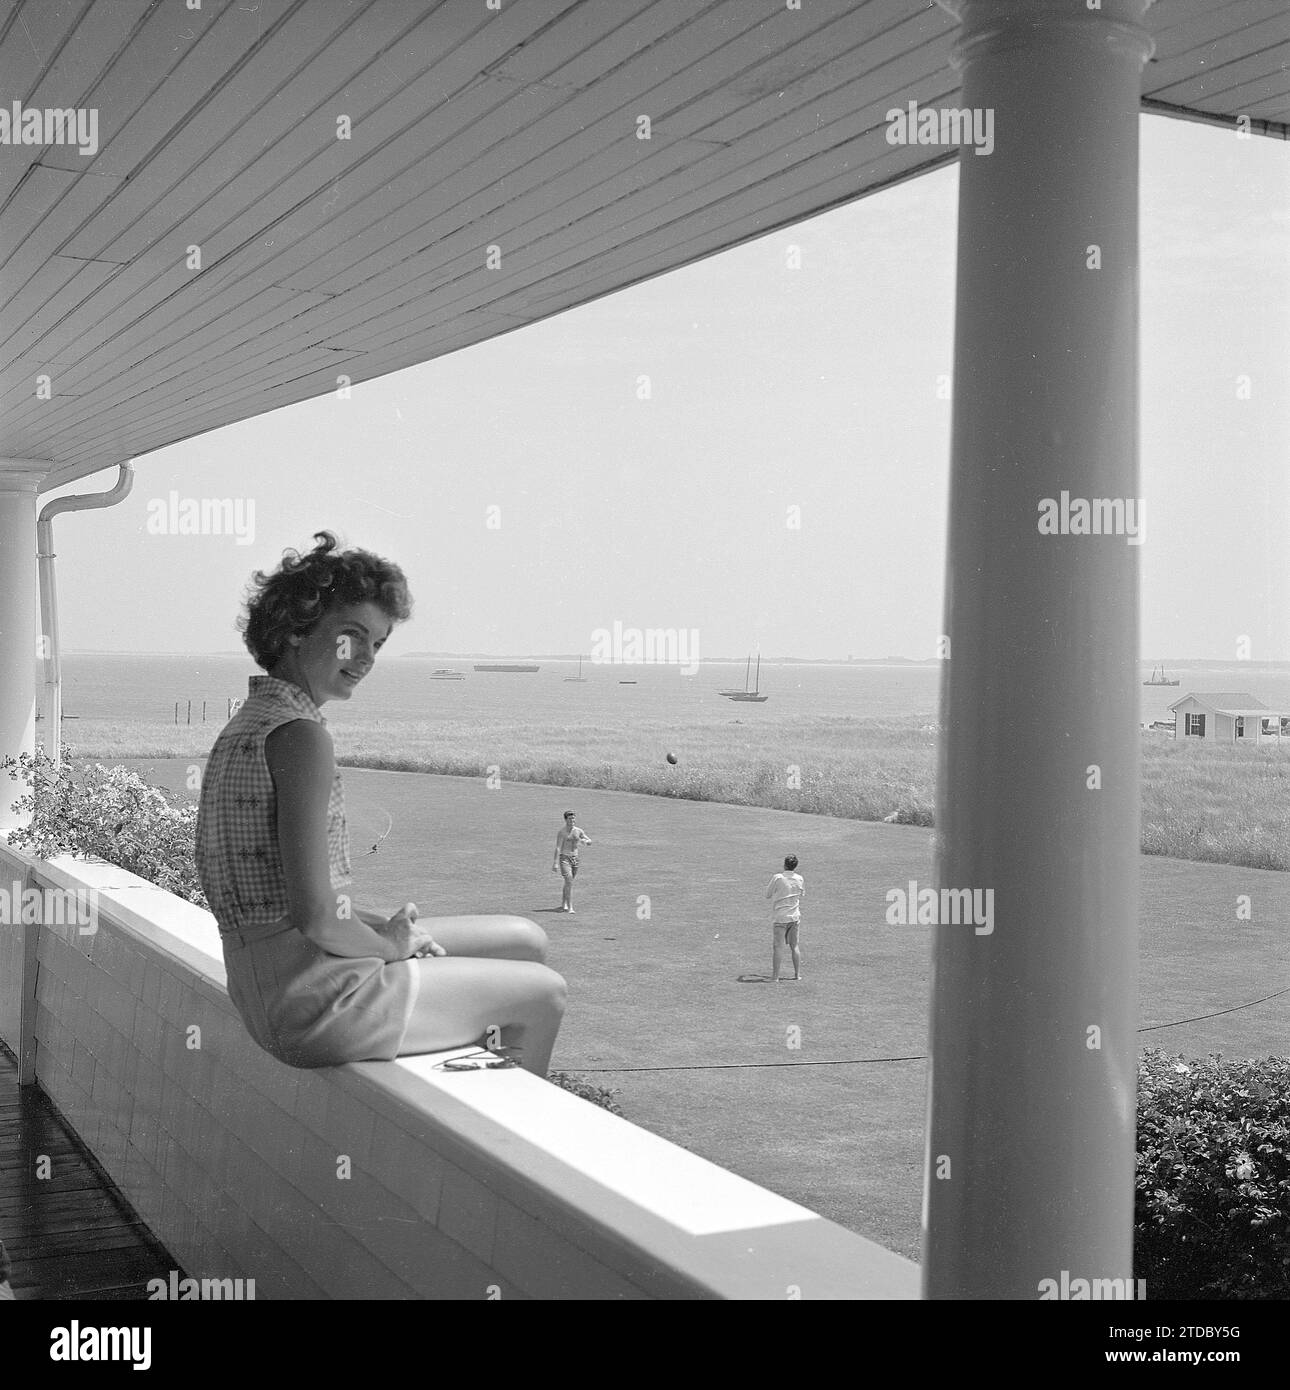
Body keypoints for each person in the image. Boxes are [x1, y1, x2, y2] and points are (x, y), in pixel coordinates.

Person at [194, 532, 566, 1074]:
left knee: (523, 939)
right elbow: (316, 919)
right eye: (352, 636)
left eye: (378, 643)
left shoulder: (249, 724)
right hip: (315, 1001)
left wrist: (383, 929)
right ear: (296, 630)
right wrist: (390, 947)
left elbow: (281, 906)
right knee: (544, 993)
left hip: (269, 987)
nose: (366, 657)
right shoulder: (301, 736)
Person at [765, 854, 805, 982]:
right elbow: (802, 893)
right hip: (794, 916)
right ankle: (797, 975)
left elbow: (767, 894)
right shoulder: (799, 878)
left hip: (781, 917)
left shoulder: (778, 877)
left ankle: (775, 977)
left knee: (778, 947)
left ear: (785, 864)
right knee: (794, 946)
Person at [552, 811, 591, 913]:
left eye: (573, 818)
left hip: (575, 859)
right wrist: (555, 863)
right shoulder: (562, 832)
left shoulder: (579, 831)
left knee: (568, 882)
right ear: (565, 820)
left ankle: (563, 903)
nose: (572, 820)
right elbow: (558, 847)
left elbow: (589, 840)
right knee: (569, 880)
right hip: (564, 858)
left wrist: (585, 842)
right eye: (570, 818)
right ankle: (570, 907)